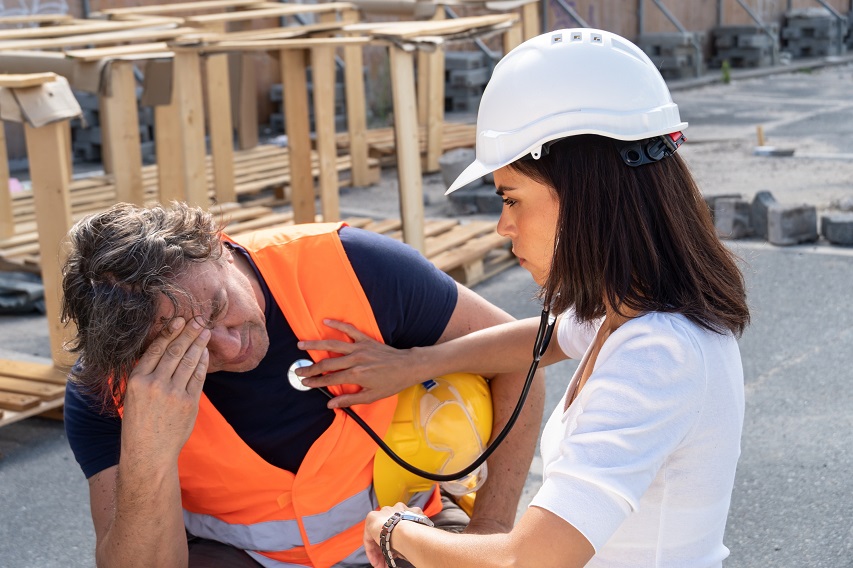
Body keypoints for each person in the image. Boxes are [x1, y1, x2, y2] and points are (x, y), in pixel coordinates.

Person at [294, 28, 750, 567]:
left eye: (511, 199)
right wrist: (412, 365)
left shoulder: (657, 356)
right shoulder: (632, 312)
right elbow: (542, 338)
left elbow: (529, 561)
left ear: (586, 197)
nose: (502, 227)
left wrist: (394, 529)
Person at [60, 202, 545, 568]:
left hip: (408, 532)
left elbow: (528, 356)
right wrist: (149, 453)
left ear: (217, 244)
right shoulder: (107, 389)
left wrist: (491, 530)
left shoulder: (352, 266)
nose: (230, 348)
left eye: (217, 308)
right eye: (188, 348)